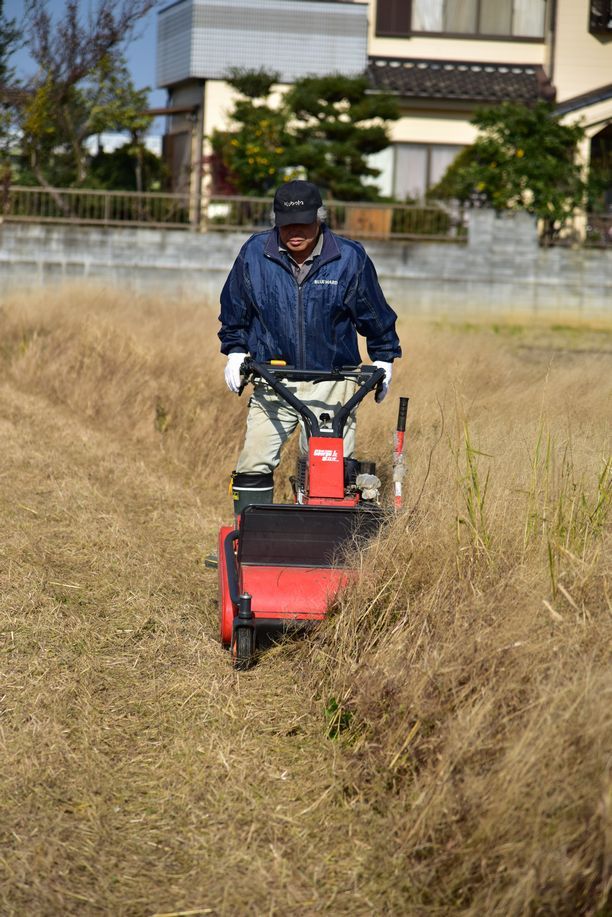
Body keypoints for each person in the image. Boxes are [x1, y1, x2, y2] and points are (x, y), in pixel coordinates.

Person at [218, 179, 401, 515]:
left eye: (303, 223)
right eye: (286, 225)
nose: (295, 232)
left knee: (326, 471)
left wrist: (384, 358)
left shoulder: (348, 258)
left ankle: (322, 549)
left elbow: (373, 313)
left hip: (332, 382)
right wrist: (235, 351)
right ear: (276, 222)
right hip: (274, 380)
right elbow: (234, 309)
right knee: (252, 462)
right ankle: (249, 540)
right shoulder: (255, 254)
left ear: (319, 217)